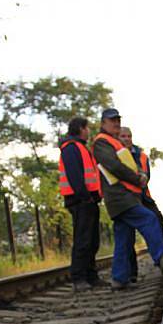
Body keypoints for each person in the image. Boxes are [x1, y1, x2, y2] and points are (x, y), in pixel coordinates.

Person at [92, 108, 163, 289]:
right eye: (111, 120)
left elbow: (129, 163)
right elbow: (114, 166)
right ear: (103, 123)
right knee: (148, 218)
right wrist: (136, 178)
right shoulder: (101, 143)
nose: (115, 123)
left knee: (124, 238)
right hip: (120, 197)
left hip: (125, 196)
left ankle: (119, 279)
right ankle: (161, 257)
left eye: (117, 120)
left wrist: (141, 174)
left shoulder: (115, 142)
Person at [119, 126, 163, 281]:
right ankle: (131, 273)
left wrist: (138, 178)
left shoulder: (141, 155)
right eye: (123, 136)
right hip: (127, 198)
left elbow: (145, 176)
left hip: (144, 196)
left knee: (157, 219)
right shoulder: (116, 155)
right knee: (127, 233)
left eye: (129, 136)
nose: (126, 139)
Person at [58, 116, 104, 292]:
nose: (89, 132)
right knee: (83, 240)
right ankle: (79, 278)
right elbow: (75, 175)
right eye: (87, 128)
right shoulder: (71, 148)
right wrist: (85, 196)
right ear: (80, 129)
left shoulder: (80, 148)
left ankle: (91, 276)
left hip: (88, 200)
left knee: (92, 240)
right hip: (80, 201)